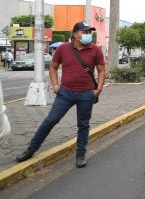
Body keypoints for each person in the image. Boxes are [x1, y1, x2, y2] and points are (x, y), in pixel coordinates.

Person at [15, 21, 105, 168]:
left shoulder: (95, 50)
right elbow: (53, 67)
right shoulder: (63, 49)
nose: (88, 35)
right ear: (75, 34)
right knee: (51, 120)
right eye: (85, 32)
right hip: (66, 93)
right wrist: (56, 85)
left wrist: (99, 89)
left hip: (86, 94)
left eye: (89, 32)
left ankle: (80, 154)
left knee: (83, 125)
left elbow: (101, 71)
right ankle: (31, 149)